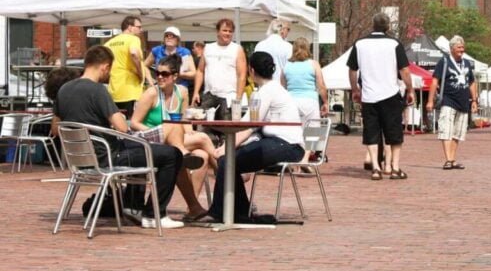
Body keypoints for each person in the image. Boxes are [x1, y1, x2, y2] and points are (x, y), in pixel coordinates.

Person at [49, 45, 185, 229]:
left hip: (80, 160)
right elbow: (122, 127)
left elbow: (56, 129)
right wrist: (117, 117)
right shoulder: (98, 91)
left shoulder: (63, 90)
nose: (109, 74)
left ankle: (132, 206)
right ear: (104, 66)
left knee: (142, 150)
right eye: (110, 69)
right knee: (171, 154)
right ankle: (154, 214)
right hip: (108, 158)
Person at [206, 51, 304, 223]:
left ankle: (229, 212)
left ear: (251, 70)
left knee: (227, 161)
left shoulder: (265, 92)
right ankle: (236, 211)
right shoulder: (272, 89)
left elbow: (249, 126)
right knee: (229, 161)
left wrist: (224, 148)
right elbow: (251, 125)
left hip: (286, 145)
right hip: (286, 144)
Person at [130, 54, 218, 220]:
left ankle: (193, 207)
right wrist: (159, 131)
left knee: (202, 156)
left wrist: (188, 130)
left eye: (165, 74)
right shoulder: (151, 94)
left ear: (175, 76)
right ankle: (227, 172)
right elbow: (134, 123)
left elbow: (184, 120)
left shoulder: (182, 92)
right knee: (204, 139)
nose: (160, 77)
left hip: (174, 141)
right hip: (150, 138)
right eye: (158, 73)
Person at [347, 12, 414, 181]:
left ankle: (376, 168)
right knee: (394, 132)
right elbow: (404, 70)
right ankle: (394, 168)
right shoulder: (394, 43)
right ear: (387, 26)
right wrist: (410, 89)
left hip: (369, 95)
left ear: (373, 25)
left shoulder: (360, 43)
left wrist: (355, 89)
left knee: (371, 132)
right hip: (390, 93)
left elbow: (352, 70)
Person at [425, 35, 477, 170]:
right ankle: (448, 159)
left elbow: (471, 82)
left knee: (458, 133)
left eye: (463, 47)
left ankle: (453, 159)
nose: (462, 50)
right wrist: (430, 100)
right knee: (446, 130)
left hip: (463, 102)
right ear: (452, 48)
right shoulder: (444, 62)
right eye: (459, 47)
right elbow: (435, 81)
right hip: (448, 100)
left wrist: (474, 100)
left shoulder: (466, 63)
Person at [282, 36, 329, 165]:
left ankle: (295, 158)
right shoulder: (313, 64)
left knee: (294, 131)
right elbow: (321, 85)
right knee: (313, 130)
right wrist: (325, 102)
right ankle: (305, 158)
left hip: (291, 101)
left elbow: (283, 87)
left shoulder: (287, 65)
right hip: (309, 101)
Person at [192, 18, 247, 120]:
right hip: (209, 96)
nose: (227, 33)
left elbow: (242, 75)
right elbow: (200, 71)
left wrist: (238, 99)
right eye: (225, 30)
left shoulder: (237, 49)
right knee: (204, 129)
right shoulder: (208, 48)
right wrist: (196, 92)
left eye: (230, 31)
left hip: (229, 98)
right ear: (217, 31)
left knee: (227, 132)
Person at [105, 15, 151, 118]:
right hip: (130, 90)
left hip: (114, 91)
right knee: (132, 123)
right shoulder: (133, 39)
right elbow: (134, 53)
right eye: (139, 27)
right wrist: (140, 74)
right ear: (130, 27)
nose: (141, 30)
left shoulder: (109, 43)